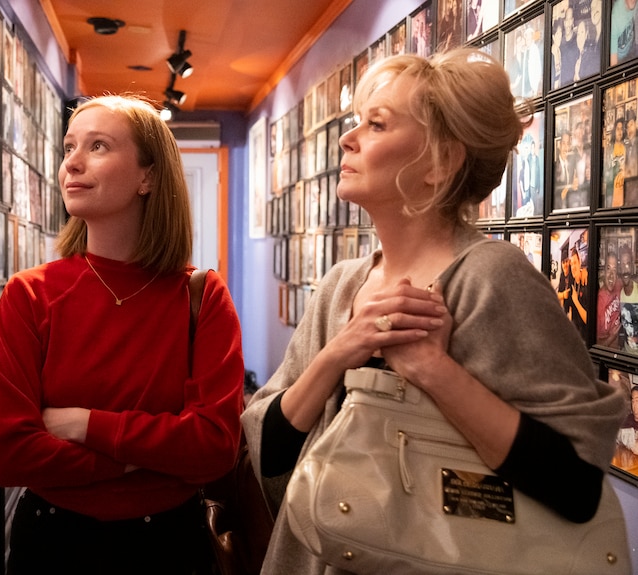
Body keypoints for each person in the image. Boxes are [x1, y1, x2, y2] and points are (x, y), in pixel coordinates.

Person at [241, 48, 625, 574]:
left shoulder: (492, 278)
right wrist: (337, 353)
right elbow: (268, 454)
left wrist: (432, 370)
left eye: (376, 124)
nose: (346, 139)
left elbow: (575, 484)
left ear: (441, 162)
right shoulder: (340, 285)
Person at [0, 94, 245, 574]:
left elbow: (214, 446)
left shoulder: (202, 296)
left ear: (148, 176)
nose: (73, 164)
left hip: (169, 546)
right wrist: (141, 458)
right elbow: (11, 455)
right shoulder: (30, 295)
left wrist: (86, 424)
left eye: (98, 146)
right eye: (69, 148)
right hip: (53, 542)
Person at [598, 251, 623, 348]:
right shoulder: (599, 301)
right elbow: (596, 348)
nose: (611, 275)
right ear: (603, 271)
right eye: (608, 269)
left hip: (623, 349)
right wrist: (612, 337)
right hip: (608, 356)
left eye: (614, 270)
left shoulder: (619, 285)